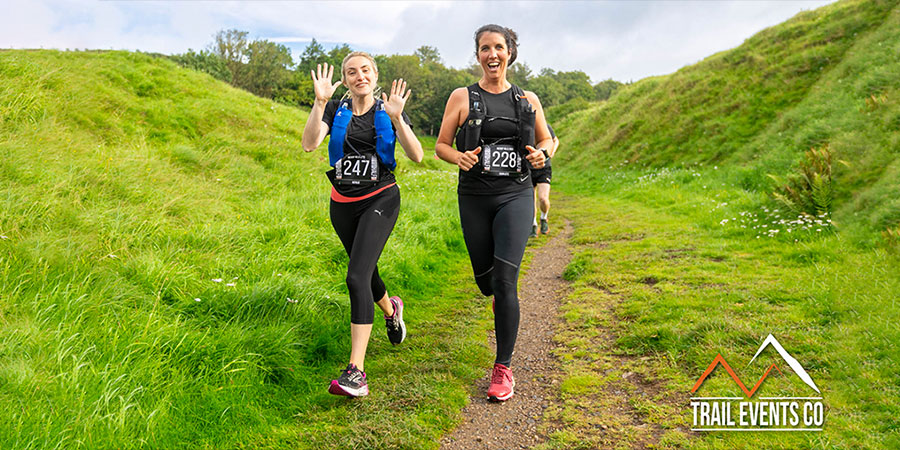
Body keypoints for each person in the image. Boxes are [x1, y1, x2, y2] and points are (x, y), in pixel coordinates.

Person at [435, 24, 552, 402]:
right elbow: (440, 145)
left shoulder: (527, 98)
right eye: (485, 49)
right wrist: (459, 156)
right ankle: (492, 289)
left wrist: (542, 153)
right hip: (474, 197)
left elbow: (547, 137)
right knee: (486, 282)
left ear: (510, 52)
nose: (492, 55)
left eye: (498, 47)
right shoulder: (461, 97)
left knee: (505, 282)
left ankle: (503, 368)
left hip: (515, 195)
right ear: (478, 55)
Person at [301, 52, 424, 397]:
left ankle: (356, 371)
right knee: (365, 272)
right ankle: (391, 309)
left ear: (375, 75)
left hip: (381, 198)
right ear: (345, 78)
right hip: (342, 205)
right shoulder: (333, 109)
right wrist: (318, 101)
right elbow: (310, 144)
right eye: (351, 72)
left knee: (355, 276)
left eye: (365, 70)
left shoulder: (388, 110)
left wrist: (399, 120)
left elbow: (417, 155)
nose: (359, 76)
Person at [529, 124, 559, 237]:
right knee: (530, 201)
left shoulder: (545, 126)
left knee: (543, 198)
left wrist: (551, 153)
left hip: (544, 168)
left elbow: (555, 141)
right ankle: (533, 225)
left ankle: (544, 218)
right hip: (528, 168)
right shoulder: (524, 124)